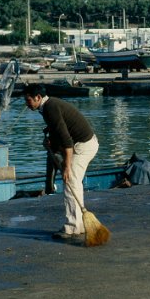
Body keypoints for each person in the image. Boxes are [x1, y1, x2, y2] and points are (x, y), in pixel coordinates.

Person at [24, 83, 99, 242]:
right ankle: (77, 224)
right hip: (81, 144)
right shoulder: (47, 107)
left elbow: (67, 141)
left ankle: (72, 226)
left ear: (38, 98)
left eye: (28, 100)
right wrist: (51, 142)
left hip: (84, 146)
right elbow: (60, 133)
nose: (26, 103)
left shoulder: (50, 108)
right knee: (74, 182)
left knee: (71, 179)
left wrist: (66, 166)